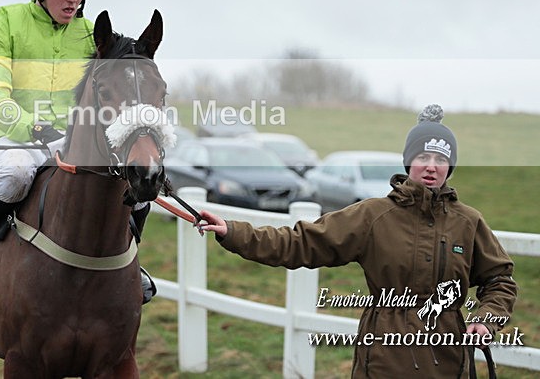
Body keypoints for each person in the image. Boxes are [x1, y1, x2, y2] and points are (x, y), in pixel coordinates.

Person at [197, 104, 517, 377]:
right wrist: (233, 231)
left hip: (447, 361)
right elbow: (300, 242)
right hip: (383, 360)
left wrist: (486, 320)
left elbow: (500, 279)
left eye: (440, 158)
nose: (431, 166)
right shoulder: (374, 216)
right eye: (423, 156)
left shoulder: (468, 222)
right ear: (409, 161)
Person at [0, 0, 156, 302]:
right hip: (18, 138)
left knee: (136, 186)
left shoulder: (92, 34)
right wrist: (31, 125)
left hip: (72, 141)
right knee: (14, 175)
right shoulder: (6, 21)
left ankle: (128, 262)